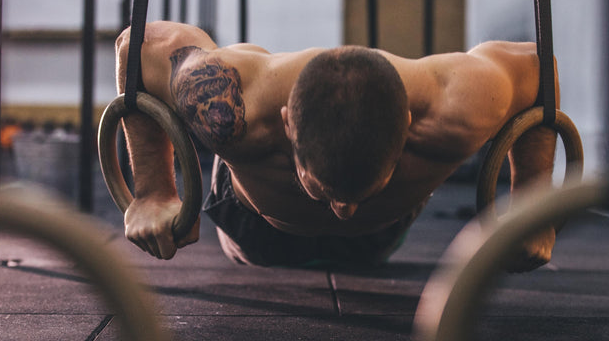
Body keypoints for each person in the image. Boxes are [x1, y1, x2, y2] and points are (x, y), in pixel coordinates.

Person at [116, 21, 559, 270]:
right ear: (287, 124)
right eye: (322, 189)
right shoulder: (236, 105)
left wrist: (533, 205)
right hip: (258, 230)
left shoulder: (460, 104)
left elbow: (539, 64)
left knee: (357, 225)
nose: (343, 210)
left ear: (407, 127)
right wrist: (154, 190)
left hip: (377, 236)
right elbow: (136, 46)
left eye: (358, 195)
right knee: (230, 131)